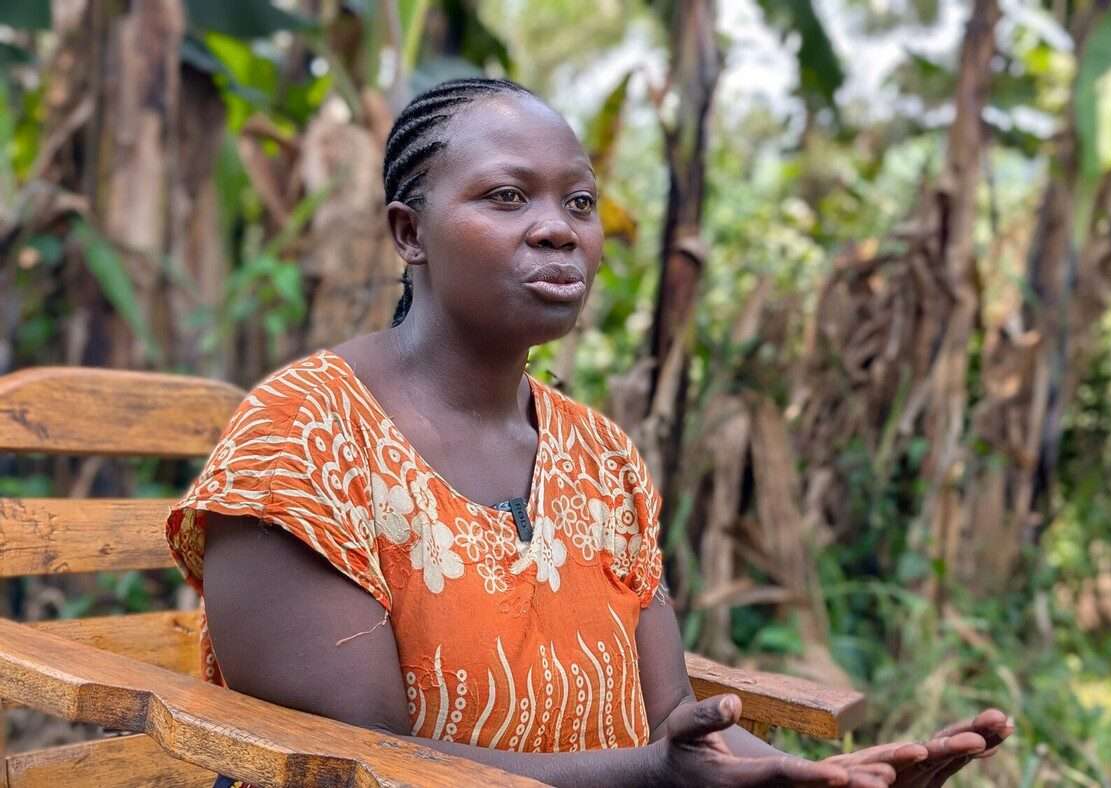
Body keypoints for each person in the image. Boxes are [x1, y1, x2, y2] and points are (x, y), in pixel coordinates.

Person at [167, 77, 1013, 787]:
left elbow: (666, 718)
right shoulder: (303, 442)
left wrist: (822, 780)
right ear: (409, 232)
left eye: (579, 201)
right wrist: (649, 776)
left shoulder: (600, 455)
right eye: (507, 196)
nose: (558, 228)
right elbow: (362, 767)